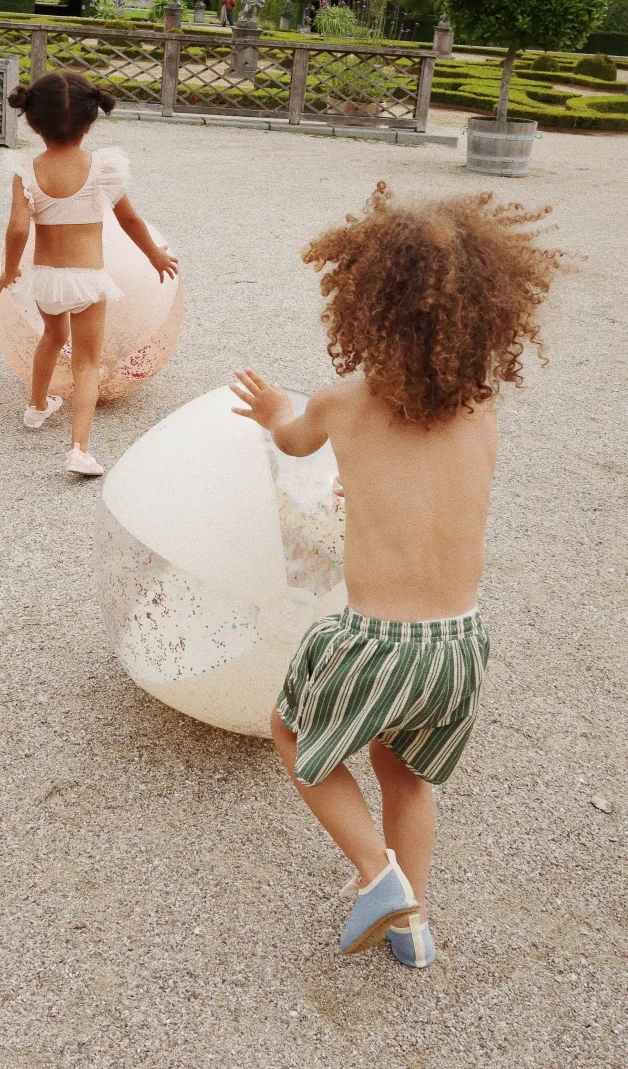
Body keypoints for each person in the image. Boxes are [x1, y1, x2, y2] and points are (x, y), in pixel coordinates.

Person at [230, 182, 560, 968]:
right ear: (485, 315)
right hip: (461, 646)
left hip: (380, 642)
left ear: (365, 308)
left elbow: (294, 440)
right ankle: (414, 931)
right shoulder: (482, 409)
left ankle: (379, 877)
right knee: (406, 772)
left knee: (292, 731)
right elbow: (437, 492)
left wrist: (275, 409)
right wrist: (373, 492)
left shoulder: (343, 403)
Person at [0, 72, 178, 476]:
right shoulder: (101, 169)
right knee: (86, 363)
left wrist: (10, 271)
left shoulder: (27, 171)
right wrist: (154, 256)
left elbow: (18, 229)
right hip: (88, 281)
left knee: (51, 336)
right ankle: (78, 449)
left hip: (46, 279)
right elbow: (129, 220)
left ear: (32, 123)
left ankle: (37, 407)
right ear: (89, 124)